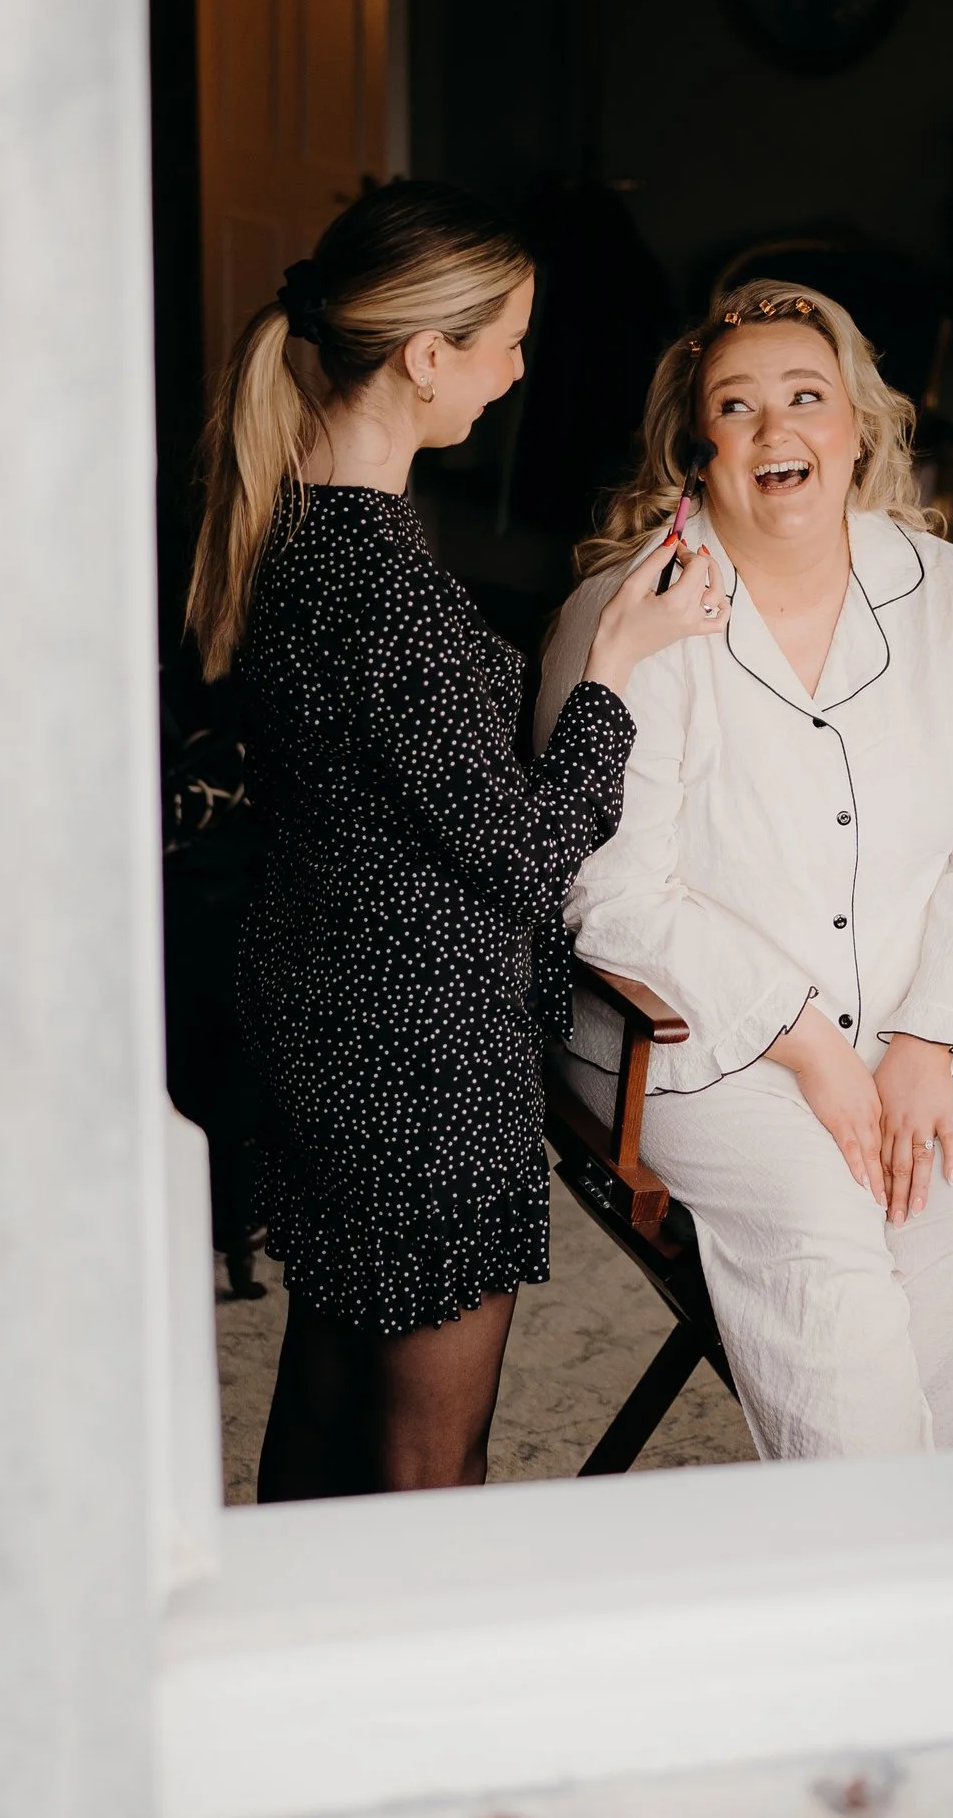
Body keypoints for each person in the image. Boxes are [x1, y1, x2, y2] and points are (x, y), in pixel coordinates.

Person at [186, 179, 719, 1501]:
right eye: (505, 340)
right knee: (435, 1456)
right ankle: (416, 1700)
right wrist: (616, 666)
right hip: (421, 1065)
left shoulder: (294, 530)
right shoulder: (391, 598)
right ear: (428, 357)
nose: (518, 369)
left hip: (315, 1013)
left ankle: (290, 1664)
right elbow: (531, 857)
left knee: (323, 1392)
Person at [536, 281, 953, 1459]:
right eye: (739, 406)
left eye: (806, 398)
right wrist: (811, 1045)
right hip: (717, 1047)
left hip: (931, 1027)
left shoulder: (949, 594)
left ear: (858, 429)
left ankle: (881, 1576)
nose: (777, 430)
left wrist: (924, 1041)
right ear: (696, 447)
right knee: (831, 1280)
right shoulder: (631, 615)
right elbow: (611, 892)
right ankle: (890, 1593)